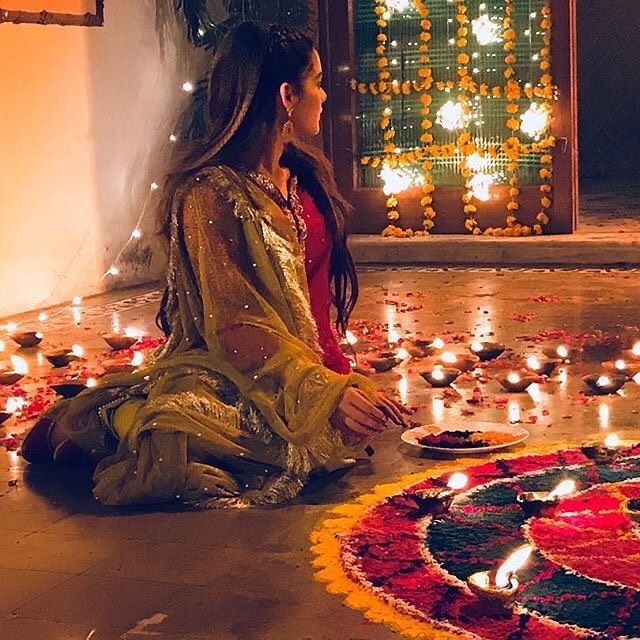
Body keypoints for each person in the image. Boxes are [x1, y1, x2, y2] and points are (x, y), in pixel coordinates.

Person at [21, 21, 408, 507]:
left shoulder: (305, 179)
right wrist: (321, 393)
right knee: (193, 448)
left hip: (306, 370)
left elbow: (315, 300)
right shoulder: (211, 195)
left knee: (314, 445)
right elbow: (233, 325)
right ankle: (110, 422)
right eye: (318, 81)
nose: (326, 96)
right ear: (287, 96)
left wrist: (336, 382)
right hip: (238, 371)